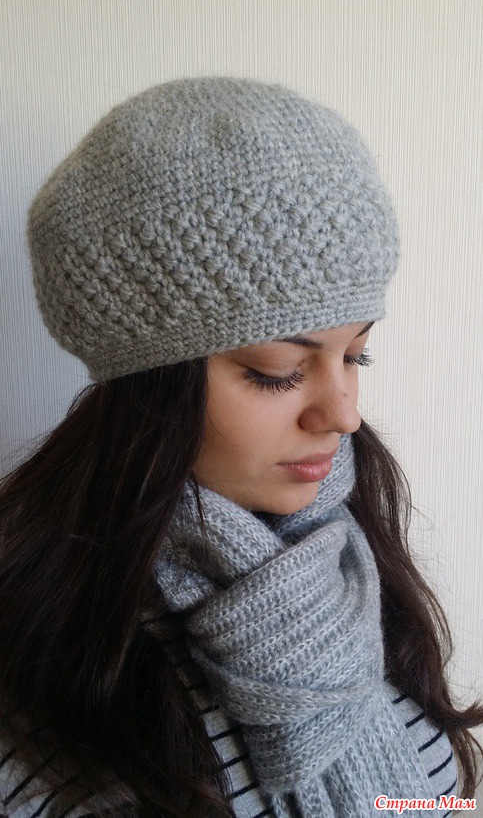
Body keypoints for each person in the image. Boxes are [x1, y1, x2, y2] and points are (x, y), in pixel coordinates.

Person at [0, 76, 482, 818]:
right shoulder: (48, 676)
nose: (344, 415)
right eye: (277, 371)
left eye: (356, 355)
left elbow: (426, 804)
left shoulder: (348, 555)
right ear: (147, 384)